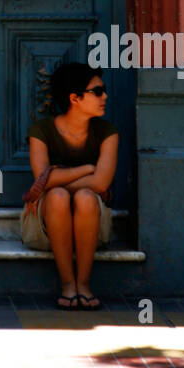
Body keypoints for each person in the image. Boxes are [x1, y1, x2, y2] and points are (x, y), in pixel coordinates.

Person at [21, 61, 118, 310]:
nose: (104, 96)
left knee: (84, 197)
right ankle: (68, 285)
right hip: (44, 225)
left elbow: (101, 182)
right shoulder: (41, 131)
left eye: (103, 90)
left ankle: (83, 285)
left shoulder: (107, 132)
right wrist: (86, 169)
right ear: (74, 98)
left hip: (92, 222)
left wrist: (56, 177)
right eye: (97, 92)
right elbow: (44, 181)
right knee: (57, 197)